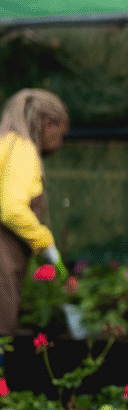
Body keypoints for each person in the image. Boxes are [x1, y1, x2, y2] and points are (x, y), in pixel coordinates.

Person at [0, 89, 70, 336]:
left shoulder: (4, 144)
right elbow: (10, 208)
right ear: (47, 123)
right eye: (61, 134)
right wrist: (45, 242)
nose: (60, 144)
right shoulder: (21, 148)